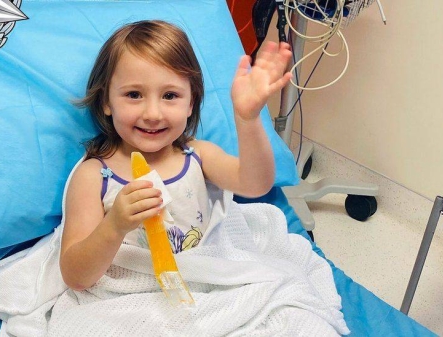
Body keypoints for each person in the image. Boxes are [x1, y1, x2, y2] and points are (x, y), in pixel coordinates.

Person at [60, 20, 292, 291]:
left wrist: (248, 119)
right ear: (106, 103)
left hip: (202, 282)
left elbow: (256, 184)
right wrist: (113, 226)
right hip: (130, 294)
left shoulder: (198, 156)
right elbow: (75, 277)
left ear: (191, 103)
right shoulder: (94, 176)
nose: (153, 114)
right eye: (134, 94)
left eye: (170, 95)